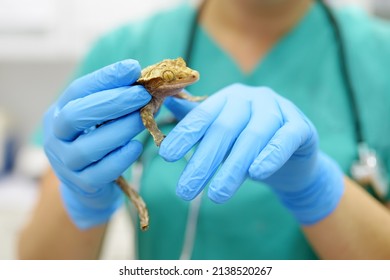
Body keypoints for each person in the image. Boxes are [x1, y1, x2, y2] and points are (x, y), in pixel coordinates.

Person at [19, 0, 390, 260]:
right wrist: (82, 201)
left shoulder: (379, 54)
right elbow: (38, 266)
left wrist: (317, 188)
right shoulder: (125, 49)